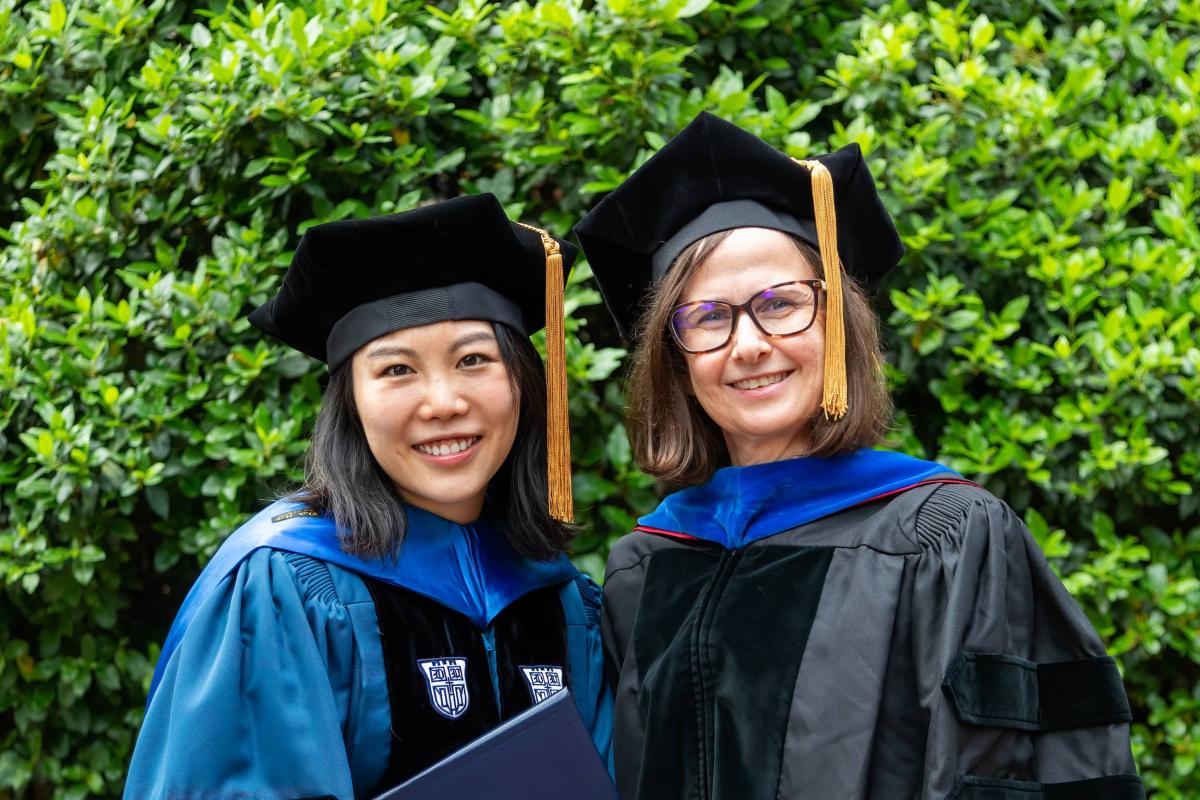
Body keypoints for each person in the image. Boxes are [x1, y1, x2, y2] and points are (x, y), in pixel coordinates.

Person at [574, 112, 1143, 800]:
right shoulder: (647, 566)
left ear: (838, 321)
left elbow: (1026, 769)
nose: (748, 343)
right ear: (675, 355)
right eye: (708, 317)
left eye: (780, 304)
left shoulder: (947, 537)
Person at [125, 194, 611, 799]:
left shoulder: (562, 600)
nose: (442, 402)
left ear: (524, 384)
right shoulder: (287, 587)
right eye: (396, 370)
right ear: (350, 404)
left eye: (474, 359)